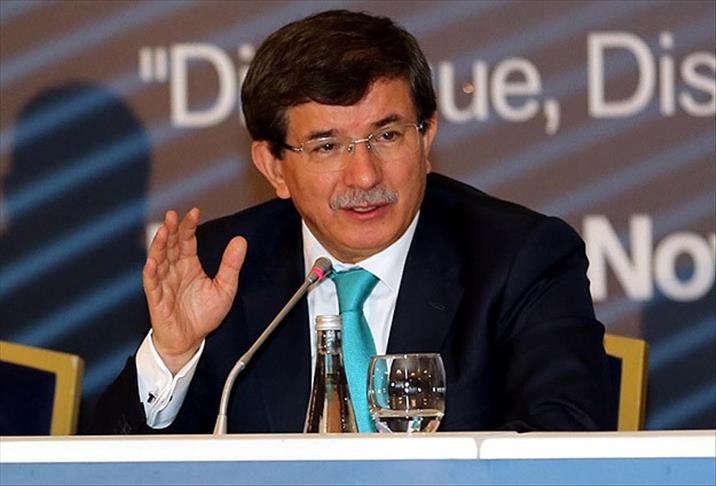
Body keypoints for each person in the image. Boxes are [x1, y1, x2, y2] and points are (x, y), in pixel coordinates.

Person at [93, 10, 612, 434]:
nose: (364, 176)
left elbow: (564, 442)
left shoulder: (520, 259)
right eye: (327, 146)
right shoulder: (221, 267)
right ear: (274, 167)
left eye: (387, 136)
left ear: (426, 137)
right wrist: (173, 354)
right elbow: (106, 468)